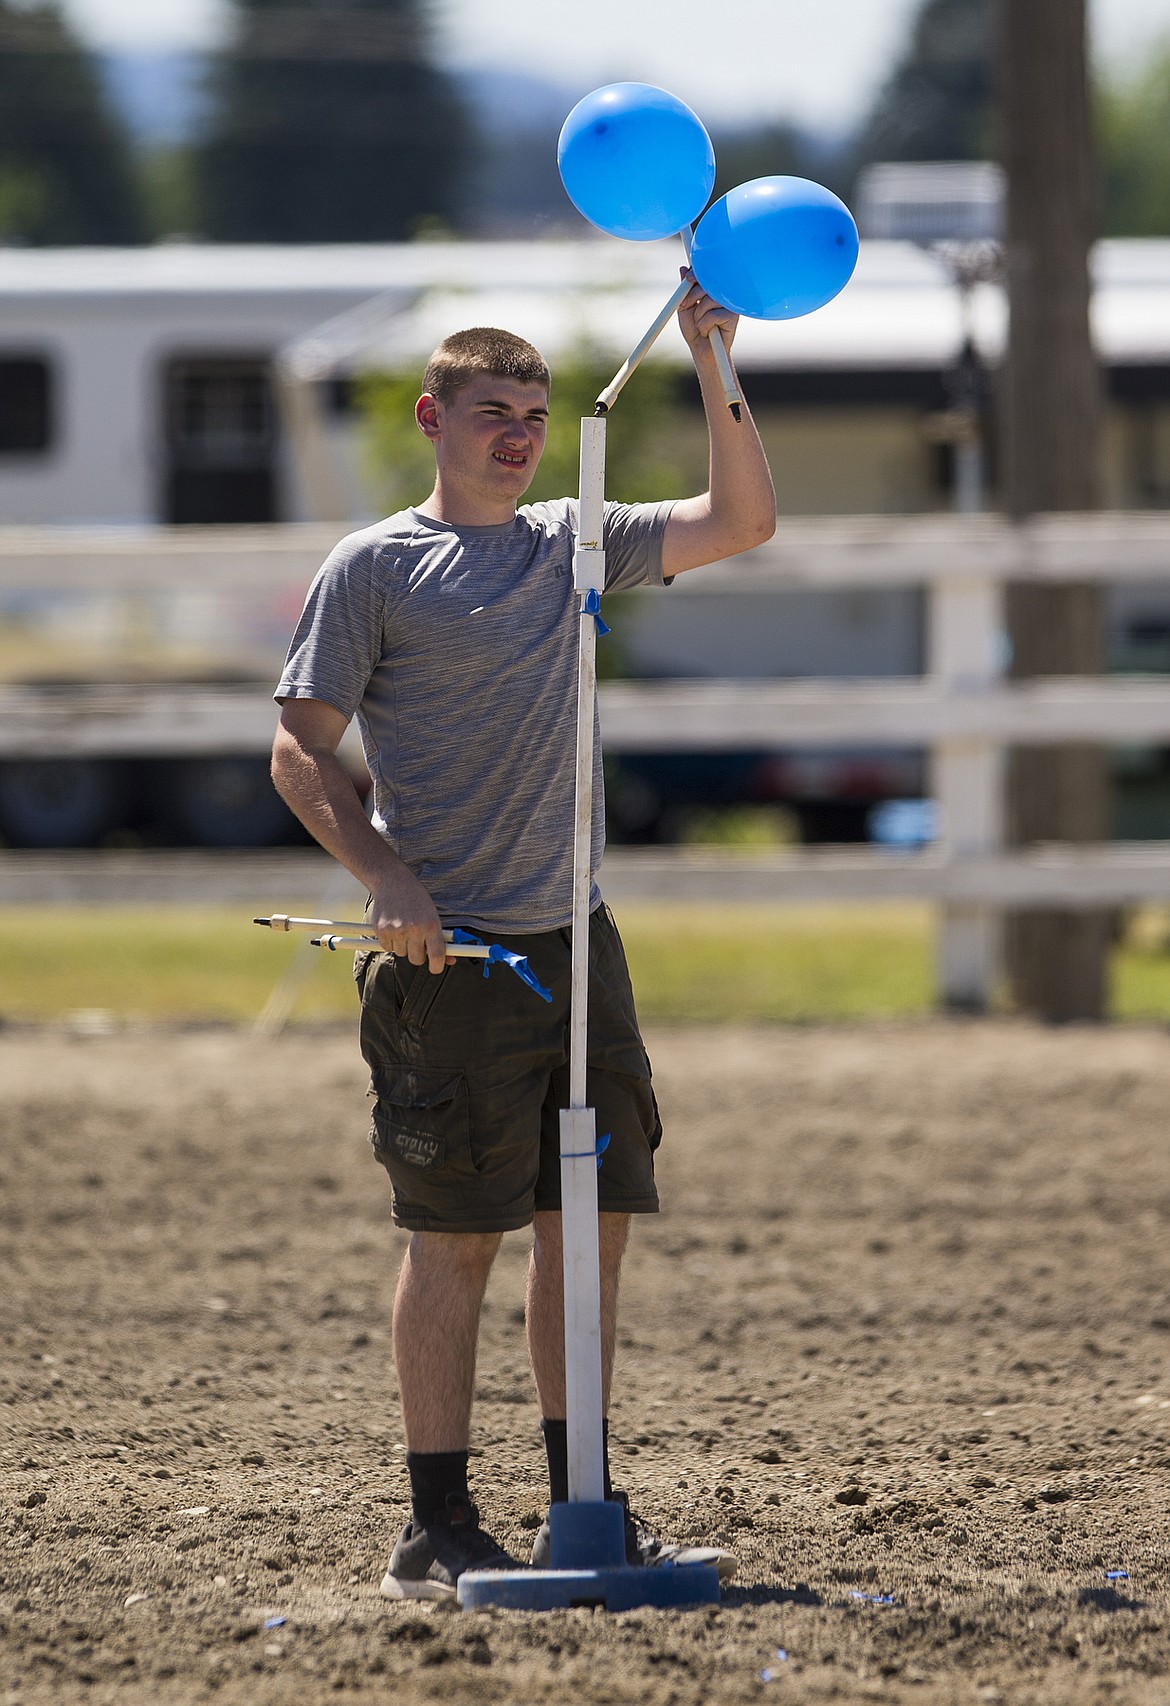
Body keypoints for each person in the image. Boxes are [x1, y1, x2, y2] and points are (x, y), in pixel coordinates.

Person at [271, 276, 776, 1601]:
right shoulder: (373, 567)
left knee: (589, 1227)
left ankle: (581, 1505)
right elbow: (297, 750)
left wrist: (712, 357)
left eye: (537, 412)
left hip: (577, 941)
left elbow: (744, 518)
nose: (520, 432)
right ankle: (434, 1522)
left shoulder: (574, 540)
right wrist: (383, 871)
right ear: (432, 417)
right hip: (452, 960)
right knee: (456, 1239)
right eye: (493, 409)